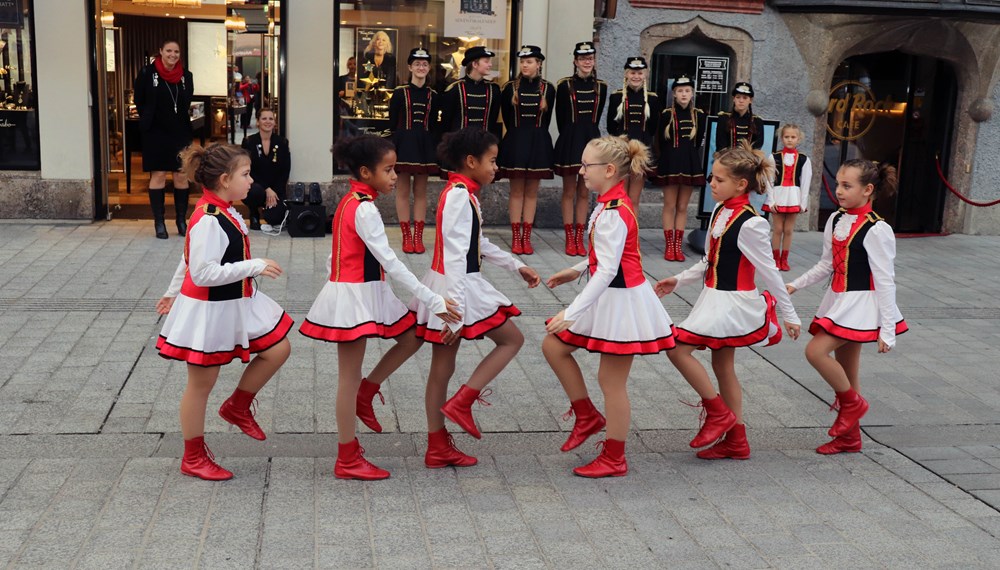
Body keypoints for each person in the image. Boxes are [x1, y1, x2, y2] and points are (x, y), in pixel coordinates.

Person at [299, 135, 461, 479]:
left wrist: (338, 278)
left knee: (410, 337)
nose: (394, 176)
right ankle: (347, 456)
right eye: (388, 170)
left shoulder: (352, 201)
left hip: (363, 290)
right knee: (348, 377)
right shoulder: (364, 208)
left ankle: (367, 392)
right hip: (355, 295)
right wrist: (433, 299)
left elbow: (336, 252)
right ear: (364, 171)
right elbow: (390, 259)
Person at [155, 143, 294, 480]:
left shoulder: (224, 209)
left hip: (232, 301)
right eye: (245, 175)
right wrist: (253, 266)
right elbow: (201, 271)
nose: (252, 181)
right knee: (201, 384)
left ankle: (237, 405)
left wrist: (172, 291)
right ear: (223, 180)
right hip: (209, 308)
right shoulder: (209, 217)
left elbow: (188, 258)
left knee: (278, 348)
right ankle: (193, 455)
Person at [655, 141, 800, 461]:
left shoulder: (752, 223)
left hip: (733, 302)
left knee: (677, 348)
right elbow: (710, 260)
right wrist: (678, 280)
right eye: (711, 177)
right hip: (713, 298)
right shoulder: (721, 211)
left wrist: (790, 315)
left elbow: (770, 272)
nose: (711, 184)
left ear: (741, 184)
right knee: (723, 366)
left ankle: (717, 412)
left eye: (719, 180)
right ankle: (736, 440)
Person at [543, 135, 676, 478]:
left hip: (622, 303)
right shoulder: (607, 203)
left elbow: (608, 269)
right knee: (554, 346)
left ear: (610, 170)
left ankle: (614, 455)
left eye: (587, 165)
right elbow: (602, 261)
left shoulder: (615, 210)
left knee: (611, 382)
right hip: (609, 296)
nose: (581, 170)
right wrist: (574, 271)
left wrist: (570, 312)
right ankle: (587, 415)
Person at [410, 127, 541, 450]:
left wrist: (515, 264)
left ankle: (438, 444)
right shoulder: (459, 196)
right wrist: (453, 313)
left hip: (449, 285)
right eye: (492, 161)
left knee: (443, 366)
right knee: (512, 339)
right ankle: (462, 403)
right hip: (457, 286)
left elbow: (475, 242)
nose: (497, 167)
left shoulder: (460, 192)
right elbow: (456, 256)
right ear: (471, 161)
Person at [787, 159, 907, 455]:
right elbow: (826, 264)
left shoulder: (878, 229)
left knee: (815, 351)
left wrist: (887, 329)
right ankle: (850, 438)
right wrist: (794, 284)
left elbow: (885, 280)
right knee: (848, 373)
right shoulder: (836, 219)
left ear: (868, 190)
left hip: (862, 304)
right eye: (838, 184)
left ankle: (854, 405)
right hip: (838, 300)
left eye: (846, 186)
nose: (839, 191)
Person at [133, 39, 194, 239]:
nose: (172, 55)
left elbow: (186, 101)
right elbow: (139, 100)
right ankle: (159, 222)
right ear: (161, 51)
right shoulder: (147, 73)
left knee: (181, 175)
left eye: (176, 51)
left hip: (180, 131)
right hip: (155, 133)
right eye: (168, 51)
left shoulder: (186, 76)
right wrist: (151, 118)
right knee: (158, 175)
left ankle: (180, 221)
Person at [498, 45, 556, 256]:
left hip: (538, 141)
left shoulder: (549, 89)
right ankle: (515, 236)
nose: (525, 65)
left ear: (539, 64)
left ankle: (526, 237)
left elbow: (548, 120)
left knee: (532, 192)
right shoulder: (509, 87)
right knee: (516, 190)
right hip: (515, 139)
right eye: (522, 61)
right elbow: (505, 115)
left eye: (529, 61)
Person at [554, 41, 608, 258]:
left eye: (590, 58)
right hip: (570, 138)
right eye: (583, 58)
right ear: (575, 61)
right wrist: (569, 136)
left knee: (585, 191)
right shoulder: (564, 85)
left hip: (591, 140)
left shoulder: (602, 86)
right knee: (569, 191)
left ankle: (580, 236)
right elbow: (560, 118)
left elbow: (598, 115)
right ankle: (569, 238)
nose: (587, 62)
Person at [388, 48, 440, 254]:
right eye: (417, 64)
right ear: (410, 67)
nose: (421, 67)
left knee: (421, 191)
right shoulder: (400, 92)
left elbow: (436, 123)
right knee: (402, 190)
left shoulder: (433, 95)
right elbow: (392, 122)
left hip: (424, 144)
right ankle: (406, 236)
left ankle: (418, 236)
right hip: (403, 143)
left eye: (425, 64)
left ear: (429, 68)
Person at [655, 74, 707, 263]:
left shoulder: (699, 115)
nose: (684, 94)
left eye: (687, 91)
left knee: (683, 206)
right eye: (680, 91)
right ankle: (669, 246)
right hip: (670, 161)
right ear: (674, 94)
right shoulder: (666, 114)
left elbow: (699, 140)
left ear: (692, 93)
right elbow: (659, 140)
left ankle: (678, 245)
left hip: (690, 162)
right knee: (669, 205)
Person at [607, 57, 660, 206]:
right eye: (632, 73)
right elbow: (611, 126)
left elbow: (652, 128)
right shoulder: (616, 96)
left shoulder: (653, 99)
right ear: (626, 74)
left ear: (645, 75)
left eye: (640, 73)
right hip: (622, 149)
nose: (636, 77)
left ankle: (632, 230)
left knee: (634, 199)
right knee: (620, 197)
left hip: (641, 150)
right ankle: (620, 229)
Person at [764, 124, 812, 271]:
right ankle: (775, 258)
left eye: (793, 137)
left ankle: (784, 259)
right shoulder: (774, 157)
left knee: (789, 230)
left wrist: (803, 202)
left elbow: (805, 182)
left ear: (799, 139)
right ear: (781, 138)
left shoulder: (804, 159)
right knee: (778, 228)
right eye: (786, 137)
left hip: (793, 197)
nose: (789, 140)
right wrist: (771, 199)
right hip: (778, 195)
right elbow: (768, 179)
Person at [241, 109, 290, 232]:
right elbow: (246, 169)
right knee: (254, 192)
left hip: (276, 188)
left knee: (276, 218)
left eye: (271, 119)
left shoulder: (282, 142)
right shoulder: (249, 142)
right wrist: (266, 188)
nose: (267, 122)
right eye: (264, 118)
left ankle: (268, 211)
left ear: (275, 122)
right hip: (255, 185)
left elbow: (285, 170)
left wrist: (274, 191)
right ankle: (254, 213)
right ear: (257, 122)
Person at [440, 46, 502, 141]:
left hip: (483, 145)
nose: (490, 64)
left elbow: (492, 122)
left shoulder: (493, 90)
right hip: (460, 144)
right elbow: (446, 123)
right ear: (475, 64)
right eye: (486, 61)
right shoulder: (455, 89)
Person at [716, 82, 764, 151]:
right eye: (738, 97)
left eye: (745, 98)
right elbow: (721, 146)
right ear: (733, 99)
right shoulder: (724, 118)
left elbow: (757, 147)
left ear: (750, 100)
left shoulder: (757, 121)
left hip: (749, 160)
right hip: (728, 159)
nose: (741, 101)